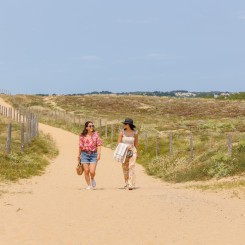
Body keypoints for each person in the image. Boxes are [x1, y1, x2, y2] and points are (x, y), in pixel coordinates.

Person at [78, 121, 102, 190]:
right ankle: (88, 185)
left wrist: (99, 154)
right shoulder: (82, 136)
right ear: (86, 127)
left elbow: (99, 145)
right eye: (90, 126)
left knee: (92, 171)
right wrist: (78, 156)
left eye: (92, 126)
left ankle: (92, 178)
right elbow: (80, 146)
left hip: (93, 154)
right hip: (84, 154)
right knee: (86, 170)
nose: (92, 127)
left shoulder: (96, 135)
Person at [117, 118, 138, 190]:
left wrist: (137, 152)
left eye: (125, 124)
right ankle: (126, 182)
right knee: (125, 167)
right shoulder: (122, 133)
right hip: (124, 151)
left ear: (129, 125)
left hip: (133, 151)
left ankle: (130, 183)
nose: (124, 125)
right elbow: (118, 143)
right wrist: (125, 146)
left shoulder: (135, 133)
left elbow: (136, 144)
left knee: (131, 166)